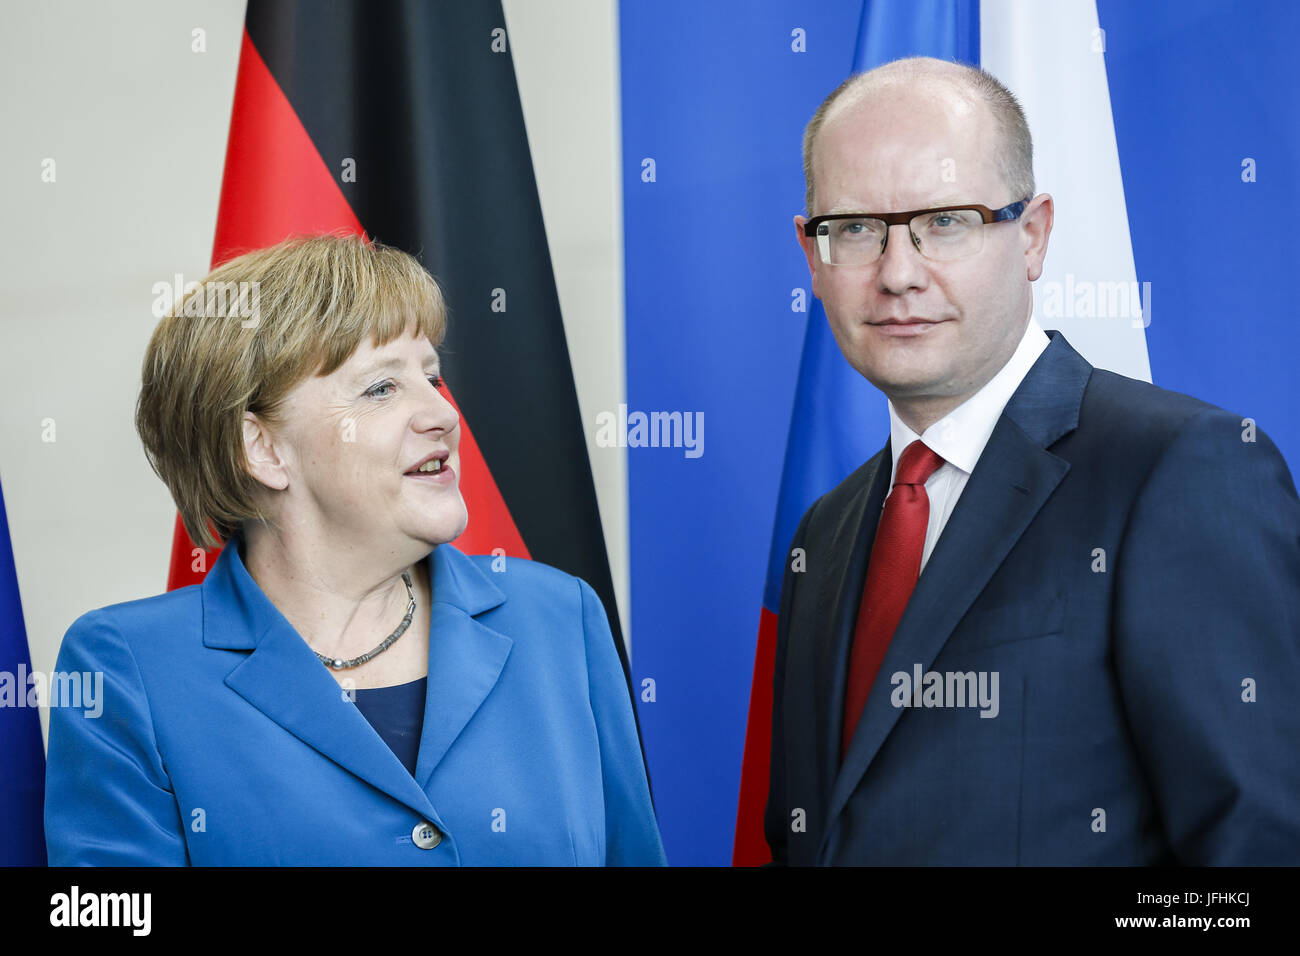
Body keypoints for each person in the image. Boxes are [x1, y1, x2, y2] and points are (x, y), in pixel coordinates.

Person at [765, 56, 1300, 865]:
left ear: (1033, 235)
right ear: (812, 256)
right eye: (857, 229)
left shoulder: (1181, 470)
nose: (899, 274)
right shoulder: (827, 533)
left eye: (946, 221)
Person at [45, 234, 667, 866]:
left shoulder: (559, 615)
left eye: (433, 377)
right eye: (381, 389)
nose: (443, 414)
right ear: (262, 449)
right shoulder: (128, 667)